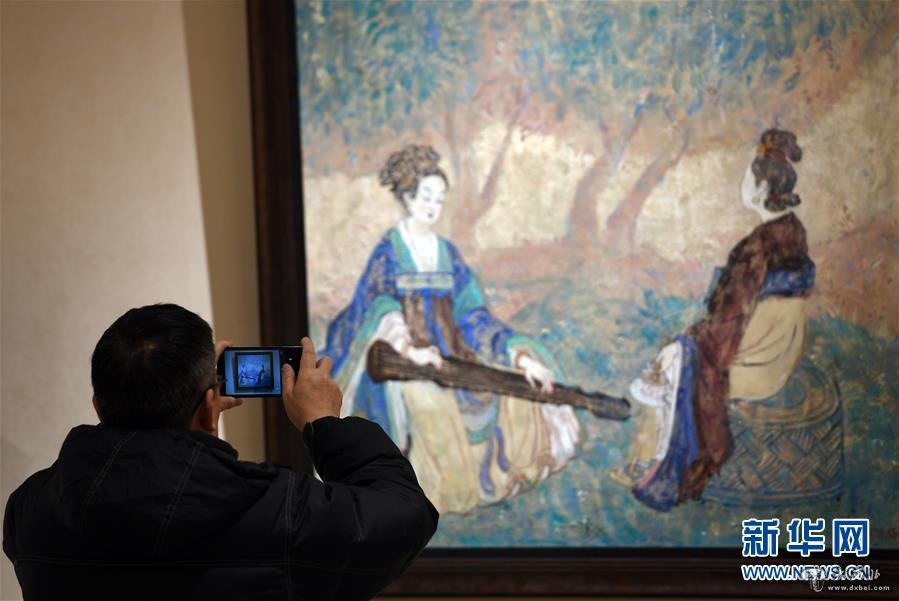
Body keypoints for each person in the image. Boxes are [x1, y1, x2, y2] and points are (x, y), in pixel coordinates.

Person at [3, 303, 438, 600]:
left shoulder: (30, 511)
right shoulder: (279, 511)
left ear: (98, 406)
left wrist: (195, 407)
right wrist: (323, 422)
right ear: (211, 406)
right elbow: (405, 516)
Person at [323, 144, 582, 513]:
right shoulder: (390, 251)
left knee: (516, 394)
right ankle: (428, 496)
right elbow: (378, 307)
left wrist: (519, 357)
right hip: (397, 361)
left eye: (440, 199)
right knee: (429, 404)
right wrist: (410, 351)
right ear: (407, 197)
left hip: (454, 356)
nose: (433, 206)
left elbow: (473, 316)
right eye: (426, 197)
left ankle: (495, 476)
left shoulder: (447, 253)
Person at [623, 129, 815, 510]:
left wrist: (687, 342)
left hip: (758, 358)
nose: (742, 183)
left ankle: (657, 469)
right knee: (677, 353)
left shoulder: (758, 247)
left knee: (675, 362)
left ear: (761, 190)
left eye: (747, 177)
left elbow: (728, 324)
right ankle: (648, 460)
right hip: (780, 346)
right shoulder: (793, 229)